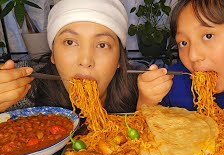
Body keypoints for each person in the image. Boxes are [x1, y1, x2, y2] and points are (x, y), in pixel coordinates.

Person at [0, 0, 138, 113]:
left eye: (102, 45)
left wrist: (146, 105)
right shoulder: (26, 92)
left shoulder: (139, 89)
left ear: (119, 59)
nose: (85, 61)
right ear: (53, 54)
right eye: (70, 42)